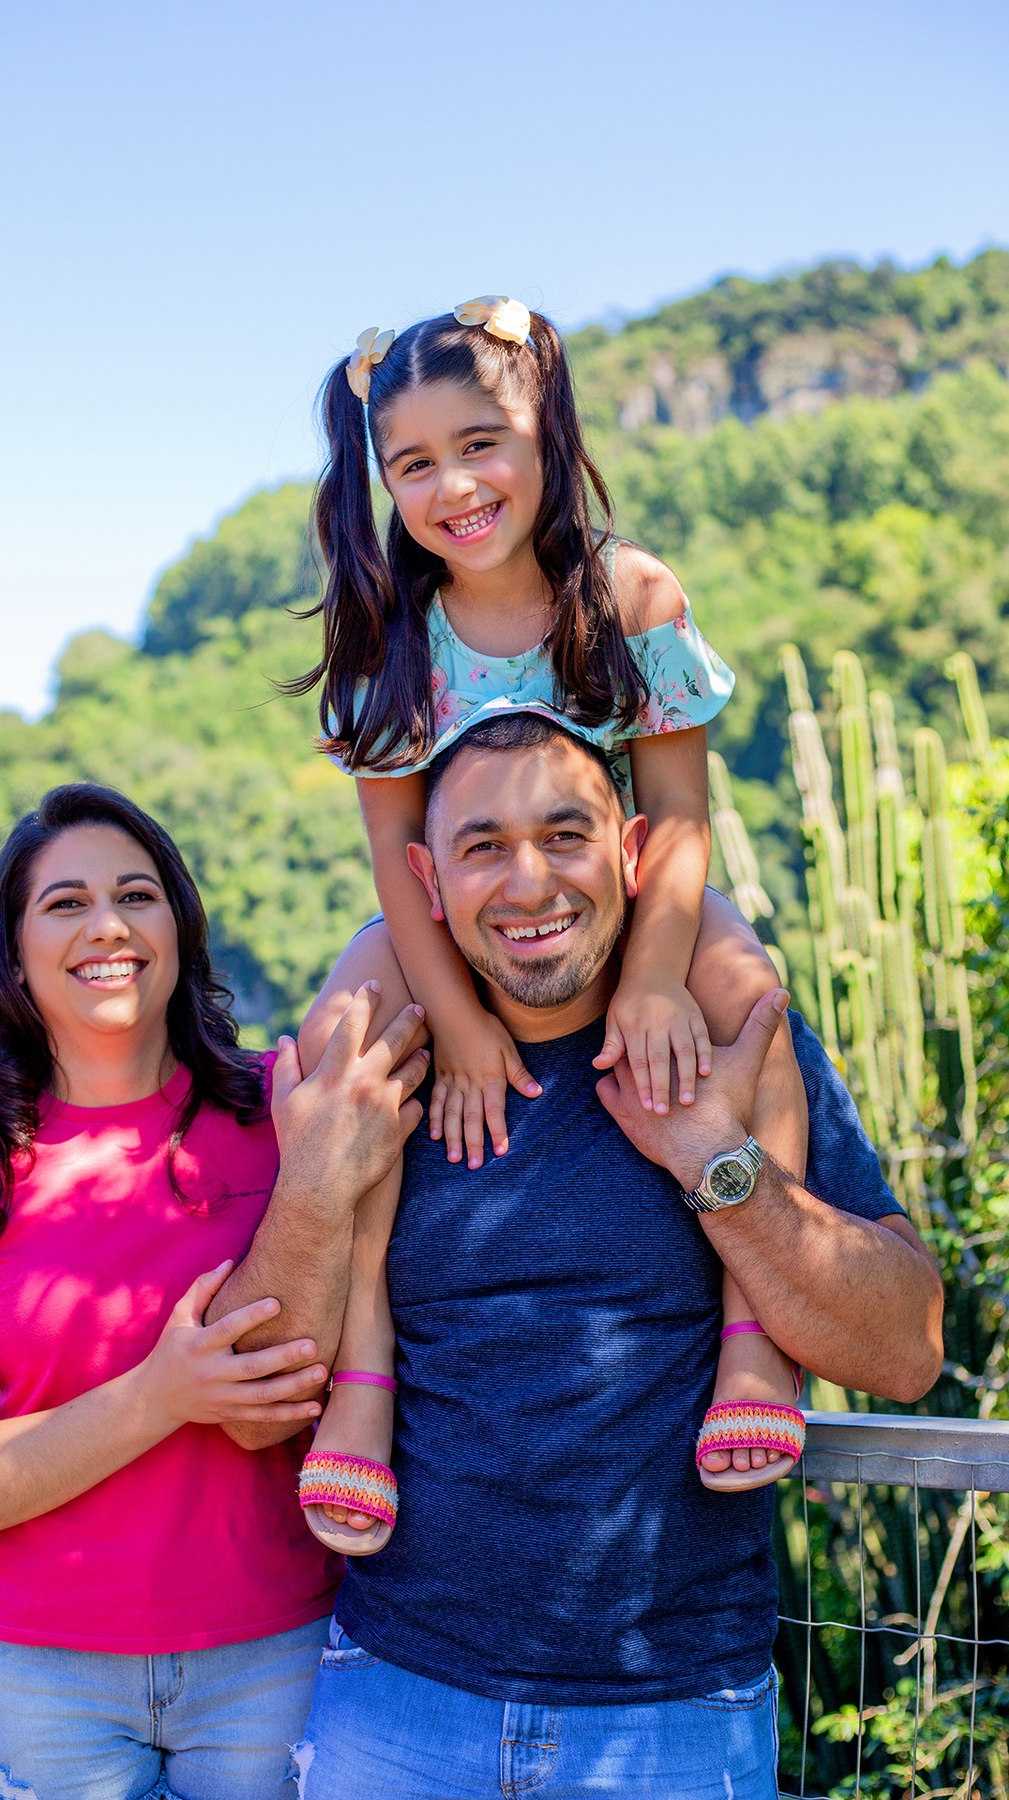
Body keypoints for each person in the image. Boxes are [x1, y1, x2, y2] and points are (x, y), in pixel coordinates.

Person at [283, 713, 944, 1797]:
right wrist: (311, 1182)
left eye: (565, 833)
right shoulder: (384, 1067)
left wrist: (714, 1163)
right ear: (427, 881)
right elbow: (272, 1364)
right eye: (484, 845)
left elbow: (908, 1348)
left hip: (673, 1721)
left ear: (632, 854)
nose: (531, 882)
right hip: (396, 1700)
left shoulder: (731, 1037)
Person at [292, 297, 808, 1534]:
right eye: (411, 464)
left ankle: (757, 1340)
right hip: (455, 917)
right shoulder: (392, 643)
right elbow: (397, 858)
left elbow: (679, 813)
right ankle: (361, 1377)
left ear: (545, 436)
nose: (454, 486)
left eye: (482, 444)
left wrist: (654, 978)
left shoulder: (627, 598)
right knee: (339, 1036)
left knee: (754, 998)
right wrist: (462, 1025)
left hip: (628, 893)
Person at [0, 782, 429, 1800]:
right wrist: (157, 1394)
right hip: (47, 1689)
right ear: (11, 953)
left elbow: (406, 928)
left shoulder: (283, 1108)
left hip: (277, 1654)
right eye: (64, 903)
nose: (108, 925)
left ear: (180, 924)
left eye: (138, 894)